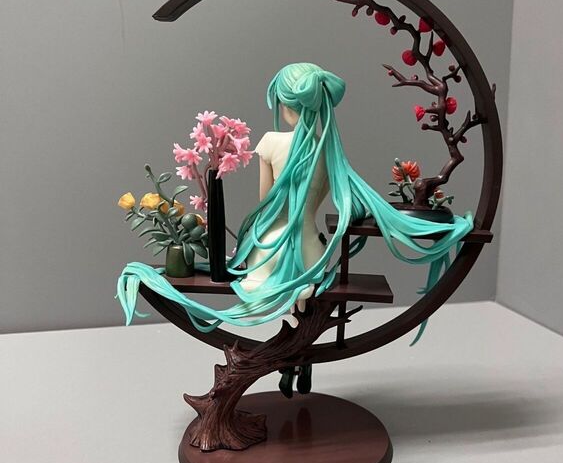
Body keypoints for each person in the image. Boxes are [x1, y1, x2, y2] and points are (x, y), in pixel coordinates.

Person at [117, 63, 473, 358]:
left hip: (270, 251)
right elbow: (337, 199)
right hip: (312, 252)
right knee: (303, 297)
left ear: (287, 106)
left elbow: (266, 202)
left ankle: (285, 353)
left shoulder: (271, 142)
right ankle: (294, 352)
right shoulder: (329, 151)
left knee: (248, 279)